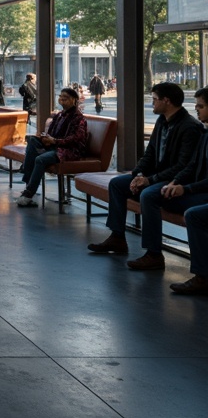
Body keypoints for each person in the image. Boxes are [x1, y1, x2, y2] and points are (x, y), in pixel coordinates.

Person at [87, 82, 202, 257]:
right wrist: (137, 174)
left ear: (167, 101)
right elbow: (150, 153)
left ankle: (153, 254)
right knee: (117, 184)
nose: (152, 103)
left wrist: (150, 180)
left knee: (148, 195)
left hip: (174, 179)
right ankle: (117, 237)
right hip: (155, 176)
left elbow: (183, 166)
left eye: (155, 100)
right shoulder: (162, 121)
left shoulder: (189, 127)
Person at [15, 86, 88, 206]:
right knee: (33, 140)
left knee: (39, 159)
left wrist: (55, 141)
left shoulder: (78, 118)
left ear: (74, 100)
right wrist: (44, 137)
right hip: (55, 145)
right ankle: (28, 183)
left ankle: (28, 193)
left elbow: (76, 138)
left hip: (68, 150)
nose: (62, 100)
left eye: (66, 98)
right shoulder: (60, 115)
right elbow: (52, 133)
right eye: (61, 97)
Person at [169, 91, 208, 294]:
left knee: (194, 215)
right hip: (199, 190)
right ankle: (152, 252)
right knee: (158, 196)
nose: (196, 109)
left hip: (202, 192)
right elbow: (192, 165)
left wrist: (186, 188)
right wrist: (175, 182)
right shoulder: (205, 133)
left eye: (201, 106)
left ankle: (203, 276)